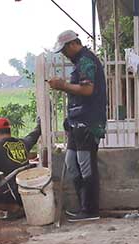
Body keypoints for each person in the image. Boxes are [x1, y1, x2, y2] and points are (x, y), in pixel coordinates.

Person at [48, 29, 107, 221]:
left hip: (88, 122)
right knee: (72, 163)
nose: (65, 55)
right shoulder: (80, 62)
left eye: (65, 50)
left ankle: (90, 210)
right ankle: (83, 207)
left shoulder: (86, 60)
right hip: (77, 122)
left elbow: (87, 89)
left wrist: (62, 85)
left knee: (85, 164)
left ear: (73, 44)